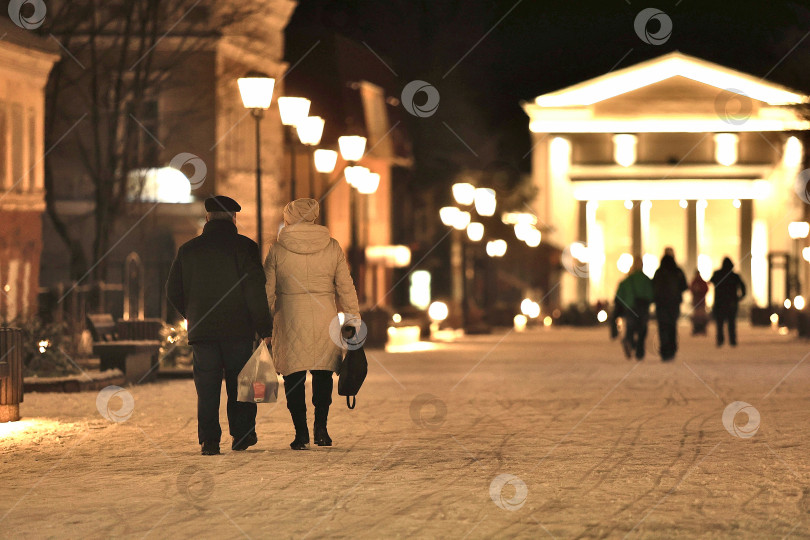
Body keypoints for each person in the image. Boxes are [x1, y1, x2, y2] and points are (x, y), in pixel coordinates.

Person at [166, 196, 273, 456]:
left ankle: (209, 441)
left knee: (207, 388)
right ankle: (242, 435)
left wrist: (193, 314)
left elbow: (173, 290)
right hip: (238, 331)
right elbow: (255, 291)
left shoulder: (188, 250)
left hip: (204, 333)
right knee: (242, 385)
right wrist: (264, 327)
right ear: (234, 218)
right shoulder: (245, 247)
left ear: (207, 218)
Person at [264, 198, 361, 450]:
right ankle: (322, 429)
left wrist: (265, 325)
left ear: (289, 217)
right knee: (323, 374)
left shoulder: (277, 249)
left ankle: (300, 433)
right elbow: (345, 286)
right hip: (323, 315)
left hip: (288, 317)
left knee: (293, 377)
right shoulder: (332, 246)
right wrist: (352, 320)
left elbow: (267, 291)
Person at [611, 259, 654, 360]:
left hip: (630, 307)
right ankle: (640, 350)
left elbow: (619, 295)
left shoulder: (627, 280)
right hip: (643, 308)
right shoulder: (646, 279)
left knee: (630, 327)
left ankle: (629, 341)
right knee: (642, 329)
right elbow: (651, 294)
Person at [652, 248, 687, 361]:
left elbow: (653, 287)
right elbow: (684, 286)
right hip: (674, 303)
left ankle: (664, 351)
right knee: (672, 326)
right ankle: (672, 349)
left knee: (663, 327)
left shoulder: (659, 272)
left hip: (661, 304)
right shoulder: (677, 271)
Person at [710, 257, 747, 347]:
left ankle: (720, 340)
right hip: (732, 303)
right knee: (732, 323)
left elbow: (711, 281)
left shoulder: (717, 274)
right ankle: (732, 340)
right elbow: (743, 287)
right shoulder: (735, 276)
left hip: (720, 302)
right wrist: (740, 297)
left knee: (720, 323)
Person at [689, 271, 709, 335]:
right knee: (696, 316)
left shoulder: (701, 282)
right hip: (696, 301)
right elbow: (691, 289)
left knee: (701, 315)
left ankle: (702, 329)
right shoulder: (694, 282)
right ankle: (696, 328)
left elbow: (706, 289)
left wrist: (700, 291)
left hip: (701, 301)